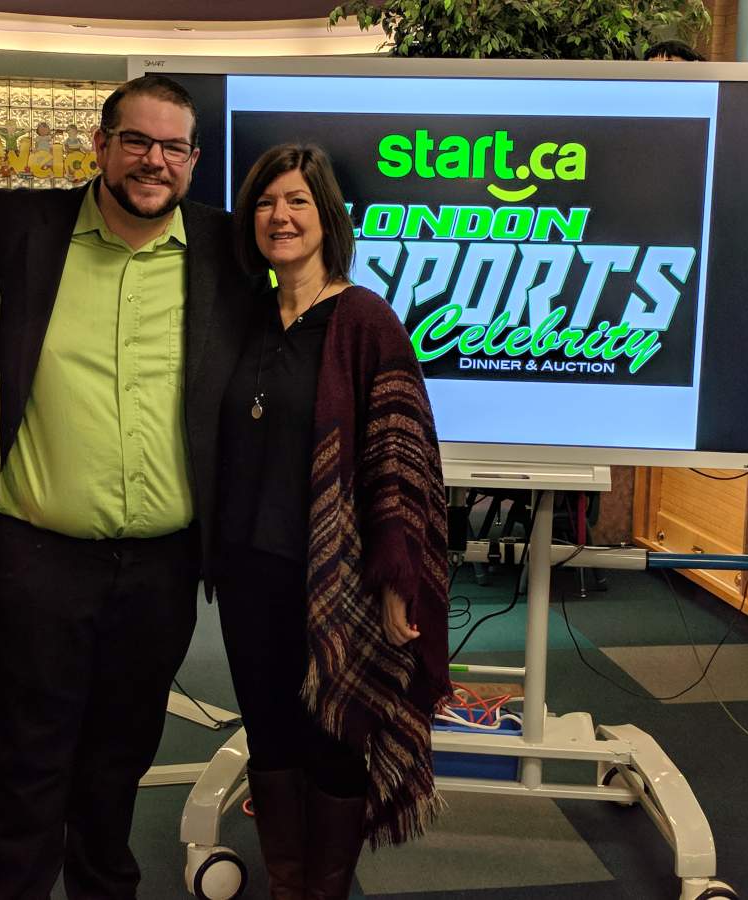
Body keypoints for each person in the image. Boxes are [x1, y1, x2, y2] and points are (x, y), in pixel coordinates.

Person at [0, 74, 254, 899]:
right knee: (26, 756)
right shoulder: (24, 230)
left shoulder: (225, 251)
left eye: (172, 147)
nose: (153, 161)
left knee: (120, 755)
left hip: (163, 568)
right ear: (101, 146)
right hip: (37, 556)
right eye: (136, 140)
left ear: (194, 160)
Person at [215, 144, 451, 899]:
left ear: (327, 218)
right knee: (270, 735)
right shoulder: (241, 315)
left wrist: (396, 576)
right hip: (247, 569)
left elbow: (400, 456)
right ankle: (290, 883)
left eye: (297, 202)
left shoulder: (363, 321)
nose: (279, 217)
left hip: (334, 576)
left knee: (336, 736)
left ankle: (325, 889)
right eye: (264, 202)